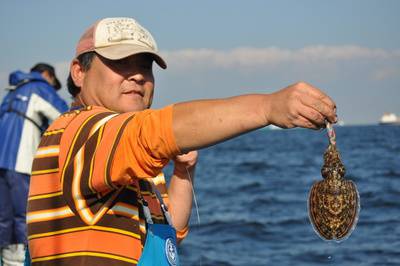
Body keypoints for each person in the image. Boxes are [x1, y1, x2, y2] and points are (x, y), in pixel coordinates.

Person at [27, 17, 337, 266]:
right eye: (120, 62)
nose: (137, 75)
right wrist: (268, 108)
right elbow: (154, 131)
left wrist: (182, 175)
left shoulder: (124, 159)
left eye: (144, 65)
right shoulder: (84, 131)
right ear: (79, 72)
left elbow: (168, 233)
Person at [0, 63, 68, 266]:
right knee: (24, 214)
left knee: (4, 217)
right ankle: (23, 261)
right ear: (47, 75)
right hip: (20, 161)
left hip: (1, 162)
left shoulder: (12, 92)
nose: (52, 88)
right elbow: (65, 115)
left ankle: (7, 259)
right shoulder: (39, 86)